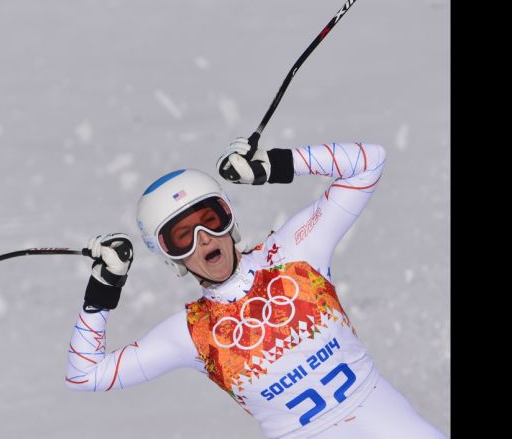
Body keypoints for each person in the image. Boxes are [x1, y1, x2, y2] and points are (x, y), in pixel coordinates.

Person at [65, 138, 446, 438]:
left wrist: (276, 165)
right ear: (171, 257)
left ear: (230, 219)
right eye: (182, 237)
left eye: (210, 219)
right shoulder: (192, 333)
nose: (203, 238)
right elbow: (85, 374)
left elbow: (368, 163)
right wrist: (104, 286)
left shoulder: (295, 254)